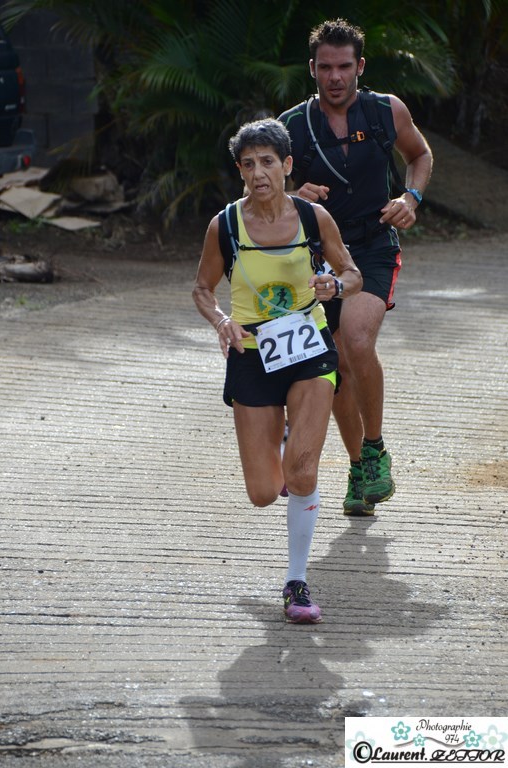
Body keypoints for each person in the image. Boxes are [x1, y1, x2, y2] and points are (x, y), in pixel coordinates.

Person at [192, 118, 362, 623]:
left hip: (308, 346)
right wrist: (221, 320)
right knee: (264, 492)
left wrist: (336, 287)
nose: (258, 173)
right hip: (252, 353)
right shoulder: (225, 225)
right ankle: (286, 444)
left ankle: (296, 582)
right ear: (240, 171)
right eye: (248, 164)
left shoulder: (313, 218)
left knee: (302, 473)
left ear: (287, 165)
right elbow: (201, 288)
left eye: (268, 162)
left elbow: (352, 273)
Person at [279, 18, 433, 516]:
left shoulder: (386, 111)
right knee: (339, 365)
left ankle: (375, 448)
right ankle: (357, 469)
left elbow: (420, 154)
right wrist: (292, 196)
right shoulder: (292, 127)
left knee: (358, 339)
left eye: (344, 66)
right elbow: (258, 193)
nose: (335, 77)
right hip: (319, 256)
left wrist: (410, 196)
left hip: (372, 246)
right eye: (325, 67)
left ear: (360, 66)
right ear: (312, 69)